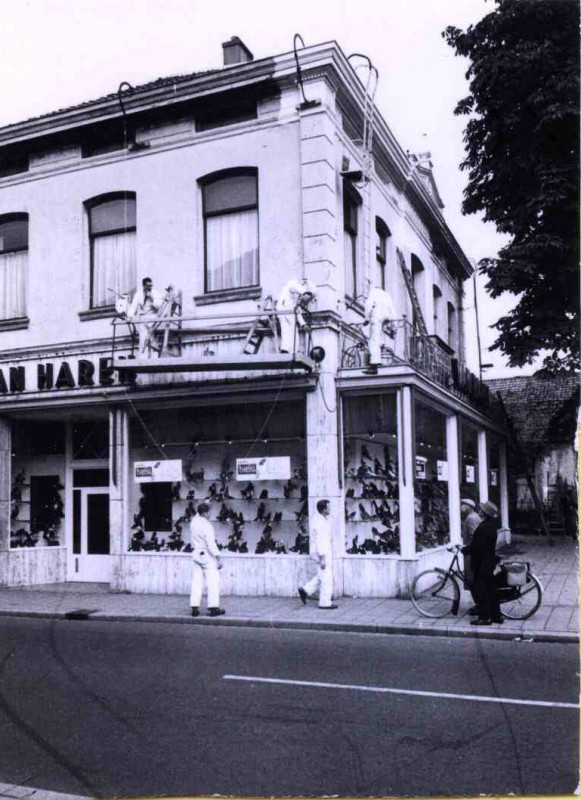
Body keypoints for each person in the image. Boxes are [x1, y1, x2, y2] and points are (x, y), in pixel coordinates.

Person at [463, 500, 502, 626]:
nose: (479, 510)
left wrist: (465, 549)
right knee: (491, 589)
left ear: (484, 513)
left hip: (481, 562)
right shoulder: (492, 525)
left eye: (482, 509)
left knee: (481, 589)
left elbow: (477, 545)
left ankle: (485, 618)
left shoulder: (483, 526)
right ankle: (497, 616)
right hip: (489, 560)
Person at [298, 498, 338, 609]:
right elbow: (321, 541)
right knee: (327, 579)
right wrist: (322, 558)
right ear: (324, 509)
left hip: (323, 552)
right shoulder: (320, 522)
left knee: (321, 576)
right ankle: (325, 602)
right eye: (328, 507)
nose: (330, 509)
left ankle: (305, 590)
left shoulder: (321, 519)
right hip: (322, 553)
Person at [189, 502, 225, 617]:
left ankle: (194, 608)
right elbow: (211, 544)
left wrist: (206, 502)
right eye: (208, 512)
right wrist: (218, 558)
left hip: (196, 553)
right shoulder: (207, 525)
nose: (210, 514)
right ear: (205, 513)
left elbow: (197, 514)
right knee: (213, 581)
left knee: (196, 581)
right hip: (206, 554)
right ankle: (213, 608)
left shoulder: (194, 522)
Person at [277, 278, 317, 354]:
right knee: (287, 332)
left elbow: (298, 311)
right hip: (284, 312)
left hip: (291, 315)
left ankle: (293, 352)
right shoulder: (293, 284)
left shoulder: (298, 298)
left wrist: (303, 324)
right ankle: (285, 350)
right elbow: (291, 288)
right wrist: (302, 292)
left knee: (295, 336)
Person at [362, 286, 396, 374]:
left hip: (376, 317)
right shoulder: (386, 295)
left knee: (373, 340)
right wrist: (393, 328)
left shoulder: (373, 293)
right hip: (386, 317)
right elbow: (392, 310)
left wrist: (367, 319)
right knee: (381, 336)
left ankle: (374, 365)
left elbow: (369, 305)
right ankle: (381, 352)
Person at [127, 277, 165, 356]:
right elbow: (133, 306)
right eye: (148, 286)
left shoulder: (155, 293)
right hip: (143, 319)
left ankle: (154, 358)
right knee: (143, 339)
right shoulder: (138, 294)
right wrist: (130, 316)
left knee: (153, 339)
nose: (150, 287)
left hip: (153, 317)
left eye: (151, 285)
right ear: (143, 286)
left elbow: (160, 306)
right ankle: (143, 359)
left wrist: (152, 298)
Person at [460, 498, 483, 613]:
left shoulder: (471, 518)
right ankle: (479, 604)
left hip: (472, 553)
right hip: (474, 552)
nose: (461, 507)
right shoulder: (474, 516)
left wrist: (467, 548)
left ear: (468, 507)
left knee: (471, 579)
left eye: (463, 505)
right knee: (473, 580)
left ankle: (479, 605)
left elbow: (475, 537)